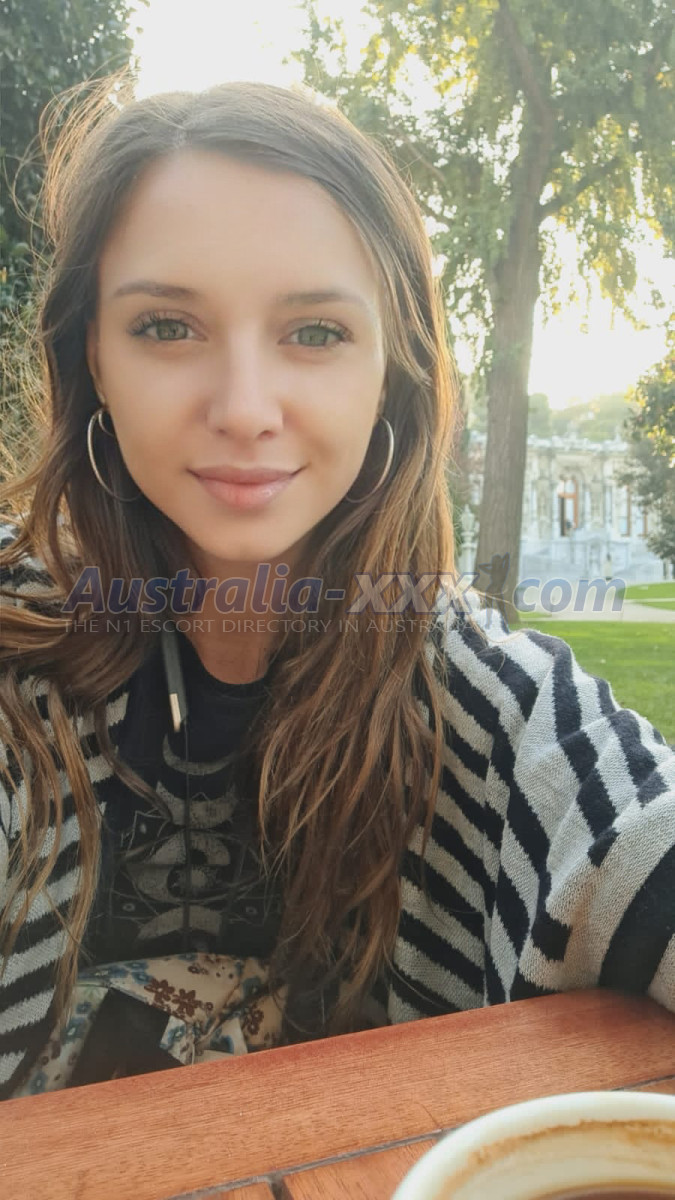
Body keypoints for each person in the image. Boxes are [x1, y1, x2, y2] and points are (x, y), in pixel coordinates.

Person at [1, 78, 674, 1101]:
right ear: (91, 353)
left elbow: (630, 827)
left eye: (314, 333)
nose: (244, 408)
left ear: (391, 369)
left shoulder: (475, 692)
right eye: (167, 327)